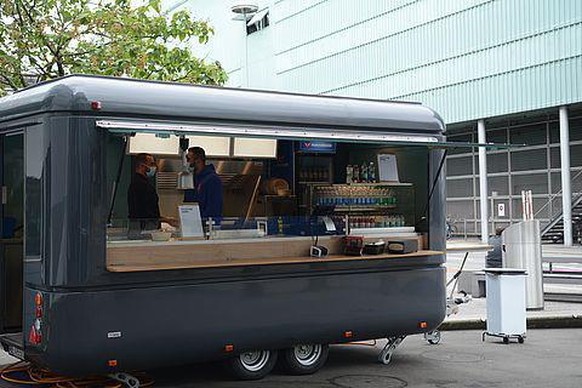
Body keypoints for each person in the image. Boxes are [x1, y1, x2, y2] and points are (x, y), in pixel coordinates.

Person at [127, 153, 175, 233]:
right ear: (142, 165)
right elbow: (147, 213)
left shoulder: (137, 183)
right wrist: (166, 220)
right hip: (145, 229)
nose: (155, 166)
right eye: (151, 164)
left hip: (140, 227)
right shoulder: (141, 185)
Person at [184, 146, 223, 221]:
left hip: (207, 225)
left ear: (198, 160)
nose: (187, 162)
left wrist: (203, 223)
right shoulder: (191, 178)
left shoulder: (212, 180)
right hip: (192, 223)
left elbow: (214, 207)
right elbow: (188, 203)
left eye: (188, 159)